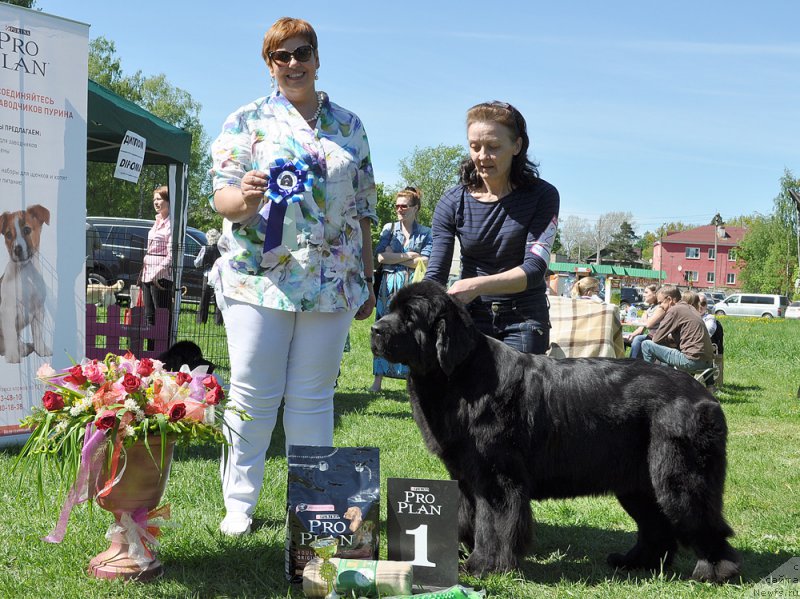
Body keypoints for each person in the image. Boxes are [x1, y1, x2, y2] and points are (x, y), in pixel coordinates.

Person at [209, 17, 377, 536]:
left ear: (318, 58)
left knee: (312, 397)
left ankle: (314, 507)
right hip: (258, 278)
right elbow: (223, 199)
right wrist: (248, 198)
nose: (293, 64)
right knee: (254, 394)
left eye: (302, 52)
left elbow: (365, 209)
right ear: (269, 64)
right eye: (281, 56)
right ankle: (239, 504)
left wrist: (367, 277)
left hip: (332, 281)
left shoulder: (350, 125)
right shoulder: (245, 120)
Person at [425, 101, 559, 354]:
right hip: (469, 320)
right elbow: (435, 276)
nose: (482, 156)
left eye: (493, 147)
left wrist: (476, 285)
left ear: (517, 146)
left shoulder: (543, 196)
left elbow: (534, 269)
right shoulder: (452, 201)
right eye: (475, 147)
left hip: (524, 321)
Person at [370, 187, 432, 392]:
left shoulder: (425, 233)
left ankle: (411, 381)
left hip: (410, 288)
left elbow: (427, 261)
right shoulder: (389, 229)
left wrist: (394, 256)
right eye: (397, 206)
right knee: (381, 330)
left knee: (409, 331)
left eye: (404, 206)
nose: (399, 209)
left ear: (415, 208)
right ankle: (377, 380)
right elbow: (380, 258)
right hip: (387, 287)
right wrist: (410, 256)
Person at [641, 285, 714, 373]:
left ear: (669, 299)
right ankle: (710, 385)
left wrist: (660, 312)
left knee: (646, 344)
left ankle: (649, 379)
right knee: (667, 347)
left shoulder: (674, 310)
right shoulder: (691, 308)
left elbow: (656, 339)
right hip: (708, 362)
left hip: (691, 361)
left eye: (660, 303)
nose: (660, 306)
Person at [140, 186, 173, 330]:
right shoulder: (157, 221)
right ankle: (151, 351)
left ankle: (163, 350)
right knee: (149, 315)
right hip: (147, 275)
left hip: (161, 278)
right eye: (154, 199)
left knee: (161, 316)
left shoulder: (171, 225)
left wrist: (157, 273)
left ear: (168, 201)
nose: (155, 202)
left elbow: (172, 254)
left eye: (159, 199)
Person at [625, 284, 665, 359]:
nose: (643, 295)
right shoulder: (650, 308)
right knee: (625, 339)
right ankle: (627, 362)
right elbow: (641, 329)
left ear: (655, 294)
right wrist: (631, 335)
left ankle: (634, 364)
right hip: (650, 336)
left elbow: (648, 324)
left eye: (646, 292)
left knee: (638, 339)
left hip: (657, 338)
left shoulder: (660, 308)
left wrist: (645, 315)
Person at [194, 228, 222, 325]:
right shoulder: (221, 249)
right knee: (218, 299)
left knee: (204, 298)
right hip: (219, 276)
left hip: (207, 274)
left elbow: (197, 263)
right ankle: (218, 322)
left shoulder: (205, 248)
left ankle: (201, 320)